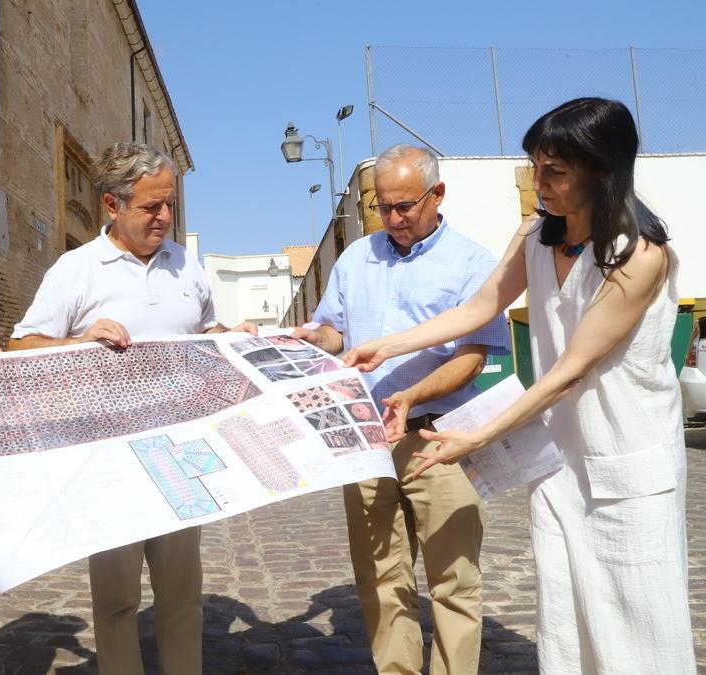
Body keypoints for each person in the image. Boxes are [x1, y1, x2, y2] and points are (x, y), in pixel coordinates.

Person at [344, 98, 695, 672]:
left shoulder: (641, 257)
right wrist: (385, 347)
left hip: (629, 459)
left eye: (554, 172)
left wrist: (476, 436)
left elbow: (569, 370)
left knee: (637, 619)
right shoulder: (534, 237)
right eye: (536, 167)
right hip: (560, 461)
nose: (540, 183)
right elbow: (478, 307)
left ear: (602, 170)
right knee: (566, 615)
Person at [9, 142, 256, 675]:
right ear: (112, 206)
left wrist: (230, 337)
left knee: (182, 597)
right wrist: (76, 342)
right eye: (151, 207)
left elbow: (204, 332)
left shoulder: (186, 265)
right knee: (117, 603)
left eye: (169, 205)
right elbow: (19, 348)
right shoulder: (75, 270)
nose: (164, 217)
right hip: (110, 466)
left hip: (183, 460)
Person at [293, 145, 509, 674]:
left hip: (440, 440)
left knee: (454, 581)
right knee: (381, 578)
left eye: (404, 207)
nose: (392, 219)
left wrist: (413, 396)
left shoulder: (473, 264)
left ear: (438, 195)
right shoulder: (356, 258)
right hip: (365, 441)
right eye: (381, 206)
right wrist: (306, 338)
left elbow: (472, 358)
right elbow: (333, 330)